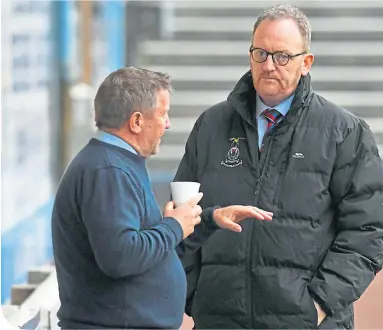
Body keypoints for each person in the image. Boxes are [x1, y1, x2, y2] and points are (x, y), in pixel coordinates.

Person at [174, 4, 383, 329]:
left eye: (282, 56)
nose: (269, 65)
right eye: (260, 53)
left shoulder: (344, 132)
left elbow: (368, 230)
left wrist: (318, 305)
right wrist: (195, 297)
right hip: (219, 320)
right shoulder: (211, 125)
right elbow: (183, 214)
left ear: (306, 62)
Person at [51, 67, 272, 329]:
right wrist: (173, 226)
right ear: (136, 122)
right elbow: (121, 257)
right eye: (162, 114)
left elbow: (148, 250)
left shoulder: (117, 163)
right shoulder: (108, 171)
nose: (167, 123)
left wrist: (208, 219)